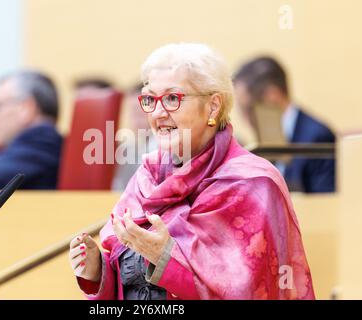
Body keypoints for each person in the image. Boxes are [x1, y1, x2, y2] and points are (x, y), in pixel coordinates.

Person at [69, 43, 315, 300]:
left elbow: (247, 292)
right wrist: (99, 272)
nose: (158, 113)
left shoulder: (254, 183)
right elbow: (131, 282)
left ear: (213, 106)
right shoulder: (147, 176)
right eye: (150, 99)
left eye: (173, 98)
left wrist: (165, 258)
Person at [233, 57, 336, 193]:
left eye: (248, 109)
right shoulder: (269, 140)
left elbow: (325, 204)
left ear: (272, 95)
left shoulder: (318, 138)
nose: (246, 120)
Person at [112, 83, 157, 191]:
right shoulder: (130, 147)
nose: (136, 119)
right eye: (133, 112)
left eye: (140, 112)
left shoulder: (161, 146)